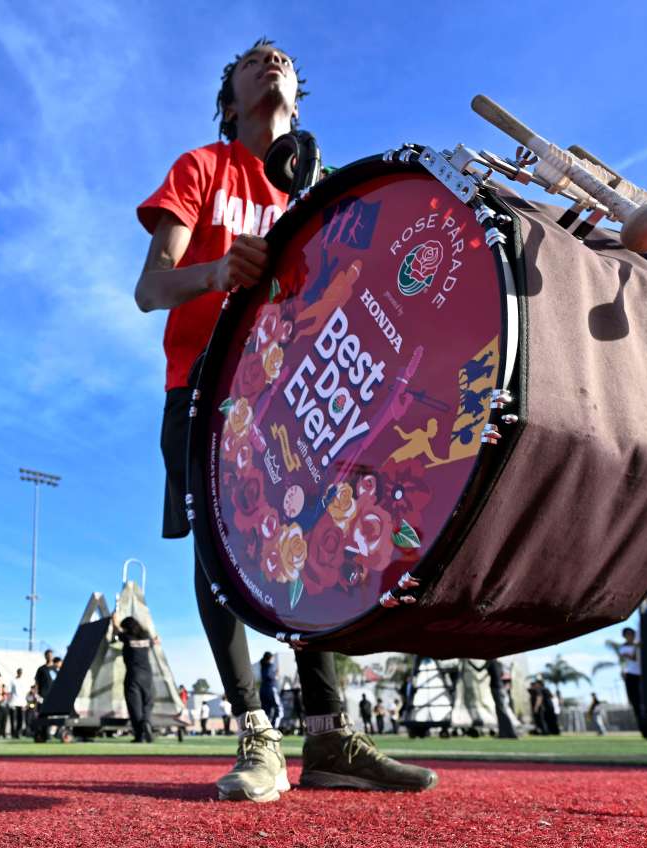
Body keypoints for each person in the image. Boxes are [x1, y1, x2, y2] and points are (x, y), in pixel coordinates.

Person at [135, 42, 437, 795]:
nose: (270, 57)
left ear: (299, 101)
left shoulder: (321, 187)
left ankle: (331, 740)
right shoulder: (202, 168)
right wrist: (215, 271)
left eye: (283, 59)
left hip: (296, 393)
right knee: (221, 551)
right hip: (205, 388)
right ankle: (255, 732)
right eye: (249, 59)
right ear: (229, 101)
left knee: (321, 544)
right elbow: (149, 289)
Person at [111, 613, 160, 743]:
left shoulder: (127, 638)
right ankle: (146, 722)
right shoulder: (146, 638)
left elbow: (116, 632)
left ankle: (140, 734)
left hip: (133, 675)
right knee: (148, 703)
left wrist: (114, 621)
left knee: (135, 706)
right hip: (147, 675)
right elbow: (155, 641)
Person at [617, 627, 644, 733]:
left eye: (632, 634)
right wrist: (636, 647)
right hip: (632, 676)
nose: (630, 636)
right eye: (628, 634)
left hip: (643, 675)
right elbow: (633, 658)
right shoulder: (623, 648)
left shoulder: (639, 645)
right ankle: (641, 725)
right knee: (635, 701)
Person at [259, 652, 281, 727]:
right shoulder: (270, 666)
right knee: (279, 710)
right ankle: (273, 728)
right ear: (270, 658)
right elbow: (269, 676)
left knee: (266, 711)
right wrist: (276, 675)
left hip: (263, 690)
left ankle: (265, 728)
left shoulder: (263, 666)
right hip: (271, 689)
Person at [7, 669, 27, 739]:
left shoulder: (24, 681)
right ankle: (13, 733)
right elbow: (9, 692)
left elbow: (25, 693)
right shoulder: (13, 681)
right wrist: (9, 702)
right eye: (19, 672)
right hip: (13, 702)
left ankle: (18, 733)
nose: (20, 673)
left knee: (20, 719)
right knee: (13, 719)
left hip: (21, 703)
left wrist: (25, 703)